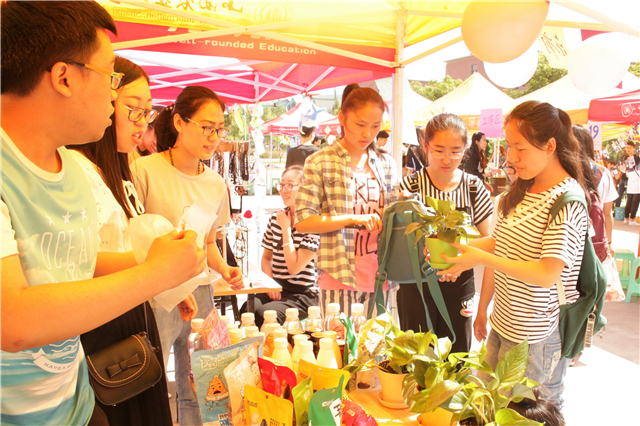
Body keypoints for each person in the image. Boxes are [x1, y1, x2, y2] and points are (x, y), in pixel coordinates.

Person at [1, 3, 204, 426]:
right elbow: (12, 319)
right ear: (64, 77)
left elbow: (75, 262)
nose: (114, 94)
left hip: (78, 406)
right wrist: (153, 274)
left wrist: (155, 260)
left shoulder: (74, 169)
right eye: (110, 75)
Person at [67, 57, 194, 426]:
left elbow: (124, 248)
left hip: (130, 316)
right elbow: (78, 263)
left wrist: (166, 281)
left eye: (147, 112)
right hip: (104, 328)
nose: (141, 123)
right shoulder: (78, 167)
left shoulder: (120, 170)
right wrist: (157, 269)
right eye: (131, 109)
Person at [445, 101, 590, 410]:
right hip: (505, 323)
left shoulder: (567, 200)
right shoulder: (525, 189)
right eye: (509, 146)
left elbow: (547, 273)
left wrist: (480, 258)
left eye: (519, 148)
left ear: (549, 145)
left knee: (525, 415)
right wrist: (457, 248)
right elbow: (503, 243)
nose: (511, 157)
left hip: (537, 337)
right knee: (491, 408)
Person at [132, 85, 243, 426]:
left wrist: (226, 269)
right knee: (153, 378)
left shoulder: (215, 183)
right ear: (179, 122)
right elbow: (134, 241)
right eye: (206, 127)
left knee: (201, 380)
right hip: (157, 292)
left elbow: (208, 244)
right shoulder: (145, 170)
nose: (213, 137)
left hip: (200, 291)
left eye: (219, 129)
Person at [296, 85, 399, 318]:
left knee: (378, 352)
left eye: (375, 126)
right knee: (339, 351)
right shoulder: (320, 161)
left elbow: (394, 217)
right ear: (342, 117)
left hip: (380, 277)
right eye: (360, 125)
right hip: (338, 277)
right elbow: (303, 221)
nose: (367, 134)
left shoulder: (386, 163)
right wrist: (352, 219)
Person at [398, 113, 494, 353]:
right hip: (416, 286)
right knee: (416, 359)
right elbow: (400, 240)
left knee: (457, 356)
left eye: (455, 151)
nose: (447, 158)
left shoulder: (473, 187)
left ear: (465, 149)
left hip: (460, 285)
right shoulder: (410, 186)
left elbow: (491, 241)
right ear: (425, 146)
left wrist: (458, 261)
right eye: (439, 150)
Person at [243, 165, 320, 328]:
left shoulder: (312, 223)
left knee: (263, 315)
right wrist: (270, 284)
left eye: (290, 185)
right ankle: (252, 352)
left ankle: (270, 352)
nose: (284, 190)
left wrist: (286, 228)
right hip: (276, 286)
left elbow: (294, 268)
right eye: (282, 185)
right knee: (247, 310)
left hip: (303, 294)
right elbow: (266, 259)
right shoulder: (275, 219)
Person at [573, 125, 618, 256]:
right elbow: (608, 213)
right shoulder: (604, 173)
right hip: (596, 245)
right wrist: (609, 243)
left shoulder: (563, 170)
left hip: (569, 242)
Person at [620, 141, 640, 224]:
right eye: (627, 148)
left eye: (630, 148)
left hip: (636, 180)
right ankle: (628, 218)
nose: (628, 149)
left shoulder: (637, 158)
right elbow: (621, 168)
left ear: (633, 148)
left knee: (634, 200)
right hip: (628, 180)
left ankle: (631, 218)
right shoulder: (623, 157)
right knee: (630, 200)